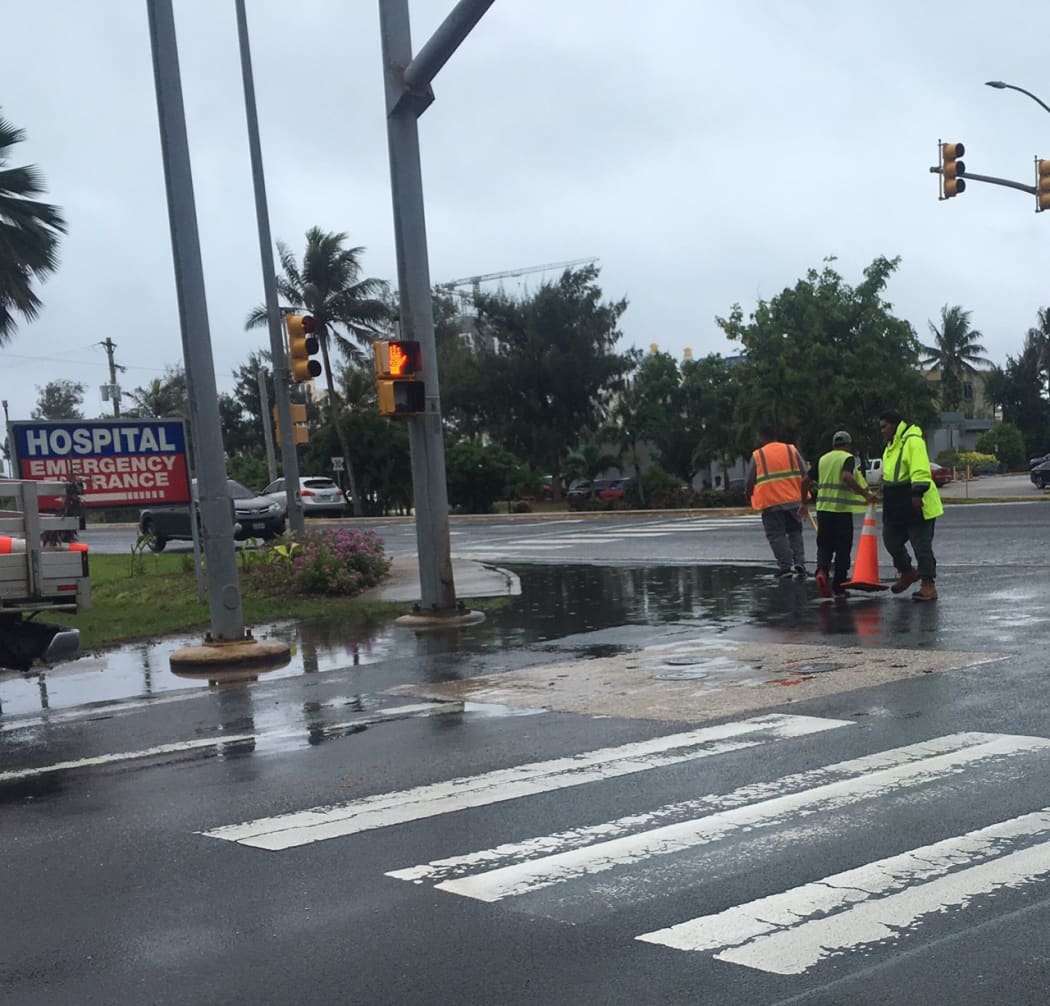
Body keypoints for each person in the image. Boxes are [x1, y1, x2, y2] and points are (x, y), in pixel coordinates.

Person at [878, 410, 943, 601]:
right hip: (896, 503)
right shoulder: (891, 446)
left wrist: (917, 493)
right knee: (890, 539)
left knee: (921, 545)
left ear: (895, 425)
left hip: (916, 502)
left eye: (884, 426)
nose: (882, 431)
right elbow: (891, 474)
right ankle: (907, 571)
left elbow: (920, 470)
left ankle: (928, 584)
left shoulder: (912, 441)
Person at [813, 430, 876, 599]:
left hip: (823, 510)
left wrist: (804, 502)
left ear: (833, 444)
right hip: (841, 512)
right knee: (842, 550)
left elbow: (805, 480)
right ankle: (839, 587)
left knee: (824, 545)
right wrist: (865, 494)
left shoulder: (823, 459)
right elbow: (847, 477)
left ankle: (821, 571)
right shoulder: (846, 458)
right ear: (848, 445)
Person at [745, 424, 810, 578]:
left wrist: (748, 494)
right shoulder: (791, 450)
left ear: (762, 437)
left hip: (771, 503)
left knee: (776, 535)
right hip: (793, 500)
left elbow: (749, 480)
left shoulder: (758, 455)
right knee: (795, 532)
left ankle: (785, 566)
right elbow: (804, 473)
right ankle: (799, 563)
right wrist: (804, 498)